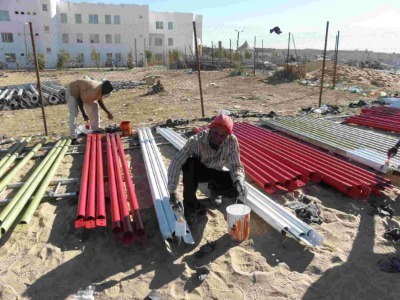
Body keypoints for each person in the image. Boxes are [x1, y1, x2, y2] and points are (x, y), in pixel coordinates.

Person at [167, 114, 247, 222]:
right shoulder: (196, 141)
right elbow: (176, 162)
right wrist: (173, 192)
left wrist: (239, 180)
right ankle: (191, 204)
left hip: (216, 172)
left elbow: (235, 165)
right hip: (199, 171)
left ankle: (215, 189)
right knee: (189, 164)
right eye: (215, 133)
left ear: (227, 135)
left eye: (223, 136)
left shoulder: (231, 141)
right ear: (211, 128)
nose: (218, 138)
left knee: (236, 188)